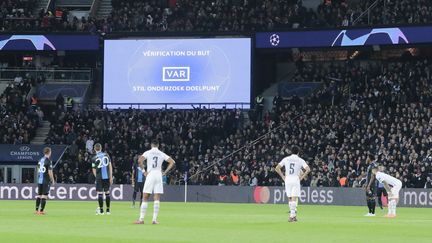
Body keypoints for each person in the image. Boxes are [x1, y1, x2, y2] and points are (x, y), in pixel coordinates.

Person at [134, 140, 176, 225]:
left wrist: (143, 171)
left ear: (151, 145)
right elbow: (172, 162)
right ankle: (154, 220)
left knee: (145, 197)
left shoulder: (148, 152)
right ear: (158, 146)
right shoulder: (161, 153)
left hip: (150, 174)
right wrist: (165, 172)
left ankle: (141, 219)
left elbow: (139, 161)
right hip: (158, 175)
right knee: (157, 198)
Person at [275, 145, 310, 222]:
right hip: (295, 179)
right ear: (298, 152)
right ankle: (291, 216)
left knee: (290, 198)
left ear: (291, 151)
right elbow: (308, 169)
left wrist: (283, 177)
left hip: (288, 179)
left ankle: (293, 216)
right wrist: (302, 177)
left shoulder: (286, 159)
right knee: (294, 198)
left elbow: (277, 168)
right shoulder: (300, 160)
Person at [91, 143, 113, 215]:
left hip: (99, 177)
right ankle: (108, 210)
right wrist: (111, 176)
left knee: (100, 193)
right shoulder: (106, 155)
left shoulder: (94, 158)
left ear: (94, 149)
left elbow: (93, 169)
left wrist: (96, 177)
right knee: (107, 192)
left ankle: (101, 210)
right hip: (106, 177)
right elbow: (110, 166)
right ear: (101, 148)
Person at [35, 147, 55, 215]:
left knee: (39, 195)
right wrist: (52, 180)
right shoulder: (49, 161)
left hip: (39, 180)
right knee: (44, 196)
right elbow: (50, 172)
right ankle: (41, 211)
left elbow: (38, 170)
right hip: (45, 180)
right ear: (49, 152)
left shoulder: (40, 160)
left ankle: (36, 210)